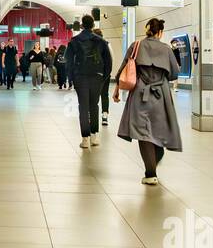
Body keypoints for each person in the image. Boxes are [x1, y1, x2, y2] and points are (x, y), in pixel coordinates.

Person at [113, 17, 183, 185]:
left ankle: (150, 173)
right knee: (158, 128)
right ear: (160, 32)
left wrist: (117, 88)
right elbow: (174, 73)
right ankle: (155, 161)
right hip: (161, 94)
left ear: (147, 30)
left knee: (143, 132)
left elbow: (122, 70)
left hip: (140, 93)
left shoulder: (136, 46)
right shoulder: (166, 49)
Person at [66, 14, 112, 149]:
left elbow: (68, 62)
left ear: (81, 25)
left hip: (80, 77)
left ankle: (85, 139)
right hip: (97, 77)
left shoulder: (74, 41)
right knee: (94, 106)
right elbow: (108, 62)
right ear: (93, 25)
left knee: (83, 107)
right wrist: (103, 77)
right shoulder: (101, 41)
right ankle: (94, 136)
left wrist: (72, 78)